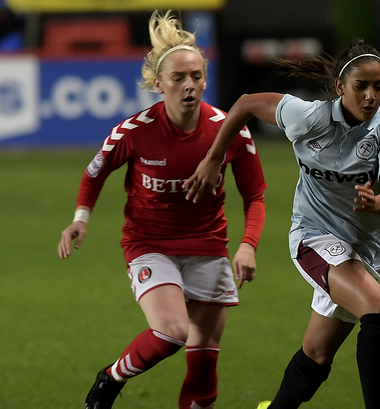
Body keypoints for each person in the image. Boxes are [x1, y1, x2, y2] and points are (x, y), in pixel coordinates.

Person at [57, 10, 267, 409]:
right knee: (172, 332)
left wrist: (248, 245)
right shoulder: (134, 132)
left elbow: (254, 195)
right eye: (179, 78)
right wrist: (80, 219)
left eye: (197, 76)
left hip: (208, 244)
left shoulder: (231, 130)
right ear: (158, 84)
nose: (190, 85)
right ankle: (112, 377)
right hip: (149, 243)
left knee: (205, 356)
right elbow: (93, 174)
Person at [184, 38, 380, 409]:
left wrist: (374, 202)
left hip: (363, 249)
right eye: (361, 86)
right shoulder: (309, 117)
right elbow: (244, 104)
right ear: (340, 88)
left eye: (379, 86)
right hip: (313, 237)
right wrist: (213, 157)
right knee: (378, 309)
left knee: (317, 355)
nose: (371, 96)